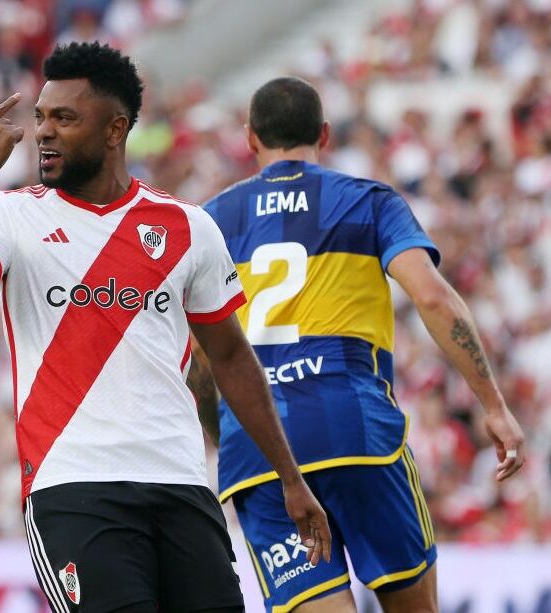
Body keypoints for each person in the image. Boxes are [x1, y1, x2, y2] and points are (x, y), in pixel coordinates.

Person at [0, 43, 331, 613]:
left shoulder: (188, 227)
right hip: (73, 485)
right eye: (40, 117)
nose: (43, 132)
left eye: (64, 119)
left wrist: (290, 477)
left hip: (181, 482)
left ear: (115, 130)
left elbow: (232, 359)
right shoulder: (13, 214)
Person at [198, 77, 526, 613]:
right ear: (324, 134)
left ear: (250, 138)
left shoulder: (209, 222)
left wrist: (231, 433)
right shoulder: (367, 201)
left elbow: (200, 359)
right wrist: (493, 405)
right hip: (356, 432)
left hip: (259, 453)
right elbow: (434, 298)